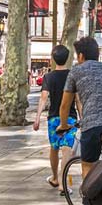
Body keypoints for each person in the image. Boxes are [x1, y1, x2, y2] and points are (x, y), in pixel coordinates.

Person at [57, 37, 102, 177]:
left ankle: (88, 198)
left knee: (88, 164)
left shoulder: (76, 71)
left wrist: (63, 124)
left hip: (93, 123)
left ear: (81, 55)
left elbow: (65, 105)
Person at [34, 44, 76, 192]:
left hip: (53, 118)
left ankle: (54, 177)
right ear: (68, 58)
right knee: (66, 149)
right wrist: (83, 117)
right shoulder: (72, 75)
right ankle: (62, 184)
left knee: (54, 148)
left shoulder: (48, 77)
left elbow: (43, 98)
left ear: (53, 58)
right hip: (70, 118)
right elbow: (77, 100)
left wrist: (37, 118)